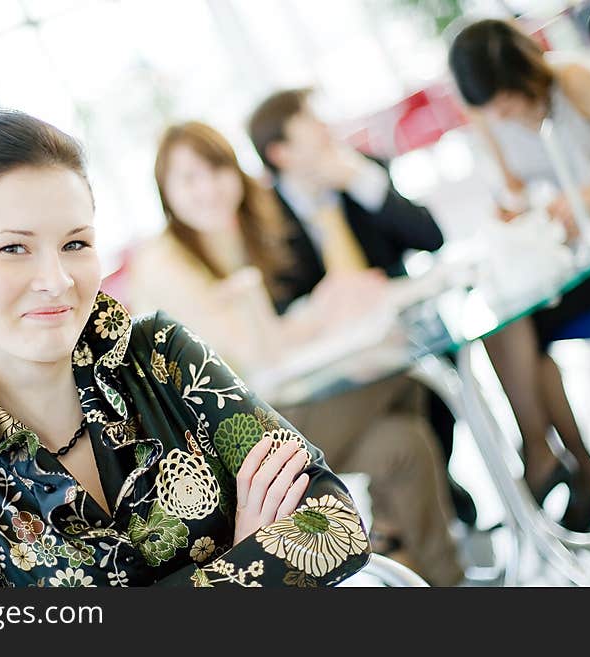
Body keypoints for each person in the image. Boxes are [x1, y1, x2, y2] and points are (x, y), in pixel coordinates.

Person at [0, 109, 373, 587]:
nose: (56, 281)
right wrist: (244, 561)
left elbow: (335, 525)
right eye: (13, 248)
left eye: (75, 244)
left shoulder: (162, 354)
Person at [127, 121, 465, 586]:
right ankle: (391, 537)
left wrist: (317, 311)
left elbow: (271, 341)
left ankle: (443, 579)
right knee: (404, 375)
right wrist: (322, 311)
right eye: (189, 179)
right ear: (165, 192)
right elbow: (246, 356)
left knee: (403, 444)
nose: (208, 188)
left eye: (217, 169)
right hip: (228, 444)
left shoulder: (240, 230)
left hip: (277, 407)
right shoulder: (165, 263)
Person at [448, 18, 590, 531]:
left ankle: (556, 463)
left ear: (523, 73)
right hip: (588, 250)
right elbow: (515, 190)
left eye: (505, 100)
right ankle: (565, 460)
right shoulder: (488, 116)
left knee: (519, 330)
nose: (502, 114)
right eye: (490, 107)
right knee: (506, 325)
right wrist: (512, 215)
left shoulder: (572, 81)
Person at [247, 89, 477, 525]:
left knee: (433, 389)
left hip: (401, 333)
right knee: (399, 426)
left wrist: (360, 183)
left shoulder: (358, 170)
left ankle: (424, 499)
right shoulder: (263, 216)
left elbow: (430, 237)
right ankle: (418, 505)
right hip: (335, 356)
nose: (326, 133)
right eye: (311, 129)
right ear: (281, 153)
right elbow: (278, 303)